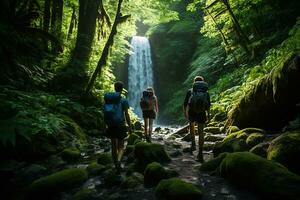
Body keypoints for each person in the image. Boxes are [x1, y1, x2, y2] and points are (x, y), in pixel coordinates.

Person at [104, 81, 132, 172]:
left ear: (114, 88)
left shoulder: (108, 99)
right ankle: (119, 161)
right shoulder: (123, 100)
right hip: (120, 124)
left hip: (111, 124)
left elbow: (104, 112)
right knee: (121, 146)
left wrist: (104, 125)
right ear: (122, 89)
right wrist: (130, 126)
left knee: (113, 145)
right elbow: (127, 114)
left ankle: (115, 164)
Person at [183, 76, 211, 162]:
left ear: (194, 83)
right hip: (202, 112)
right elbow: (208, 105)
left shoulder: (190, 91)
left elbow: (185, 104)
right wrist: (209, 115)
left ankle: (193, 144)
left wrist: (186, 114)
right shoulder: (206, 92)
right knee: (201, 132)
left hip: (192, 112)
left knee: (191, 126)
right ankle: (200, 153)